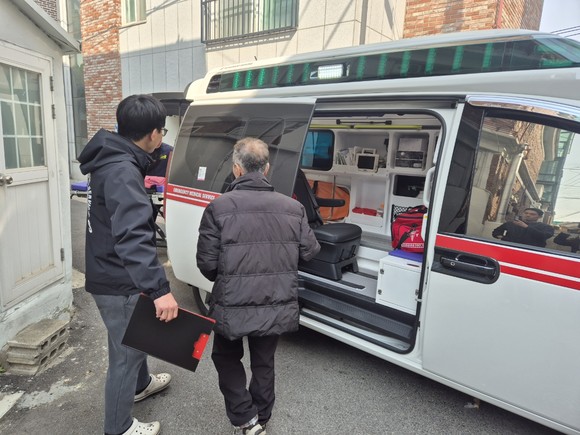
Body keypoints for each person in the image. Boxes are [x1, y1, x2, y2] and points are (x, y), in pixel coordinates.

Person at [196, 137, 320, 435]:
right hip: (275, 298)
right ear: (266, 169)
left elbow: (207, 264)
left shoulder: (218, 207)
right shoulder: (293, 207)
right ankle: (261, 416)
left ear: (236, 169)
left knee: (225, 356)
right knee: (264, 360)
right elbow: (310, 252)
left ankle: (245, 416)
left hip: (232, 301)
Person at [78, 95, 179, 435]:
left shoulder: (112, 158)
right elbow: (133, 237)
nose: (162, 137)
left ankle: (141, 384)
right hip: (117, 276)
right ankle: (119, 428)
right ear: (153, 134)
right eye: (162, 131)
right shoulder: (122, 171)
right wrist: (160, 290)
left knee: (133, 338)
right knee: (126, 353)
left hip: (108, 266)